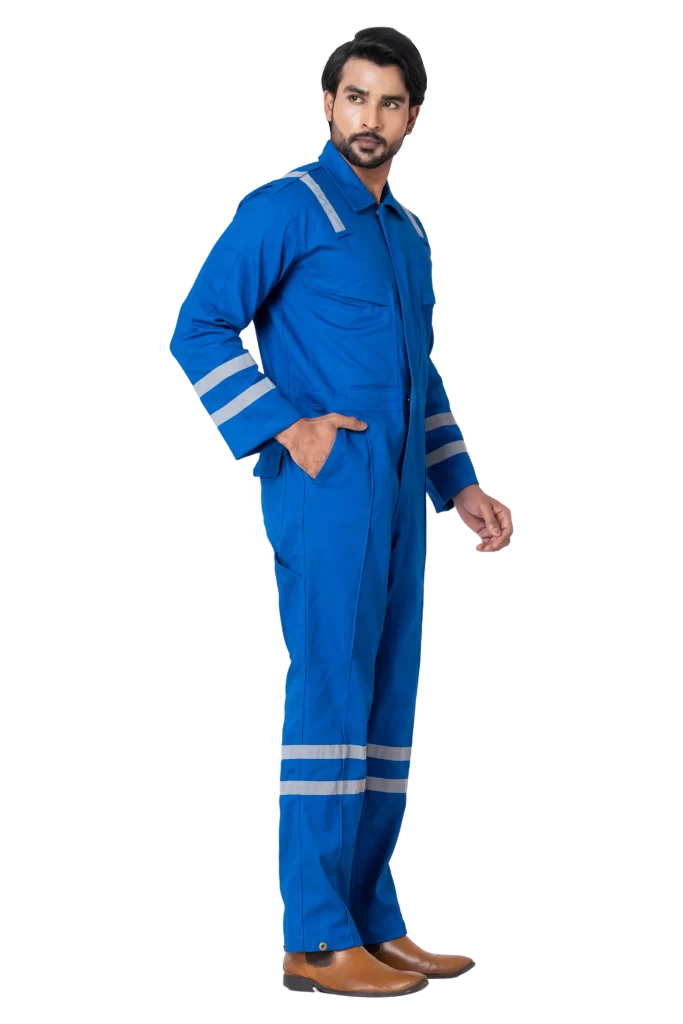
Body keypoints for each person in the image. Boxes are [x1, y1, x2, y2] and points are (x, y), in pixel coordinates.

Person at [169, 25, 513, 999]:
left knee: (386, 708)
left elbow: (420, 376)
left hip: (400, 501)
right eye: (354, 97)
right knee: (330, 702)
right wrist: (286, 426)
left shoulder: (407, 234)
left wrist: (461, 484)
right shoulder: (284, 207)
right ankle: (315, 939)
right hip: (326, 496)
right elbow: (197, 327)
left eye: (389, 102)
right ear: (327, 106)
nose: (370, 117)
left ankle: (372, 920)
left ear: (412, 118)